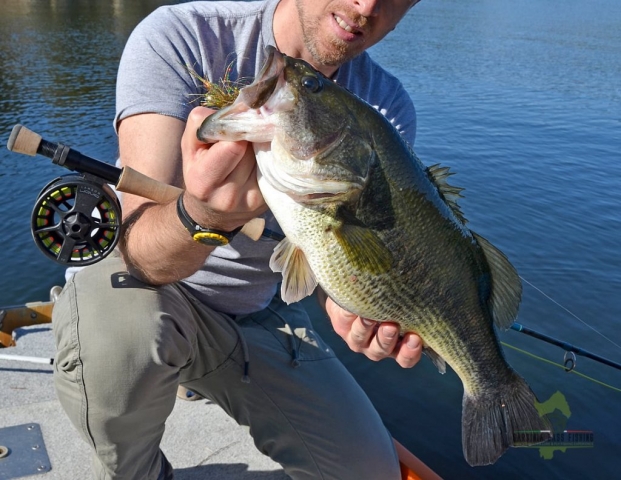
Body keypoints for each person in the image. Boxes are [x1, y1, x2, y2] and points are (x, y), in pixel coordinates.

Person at [52, 0, 424, 478]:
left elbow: (345, 265)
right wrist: (202, 214)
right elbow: (136, 250)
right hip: (147, 288)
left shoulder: (385, 109)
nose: (367, 4)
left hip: (257, 309)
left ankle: (199, 372)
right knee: (122, 340)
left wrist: (356, 306)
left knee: (369, 470)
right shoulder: (181, 37)